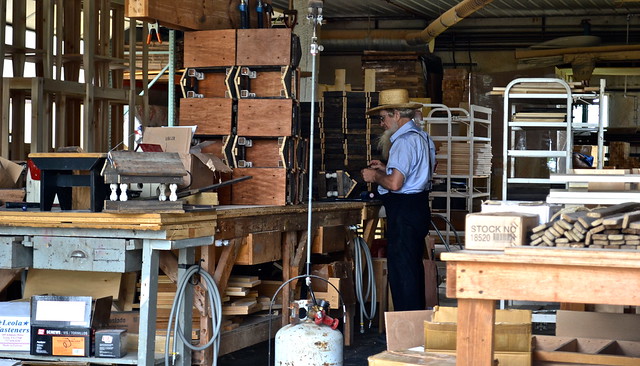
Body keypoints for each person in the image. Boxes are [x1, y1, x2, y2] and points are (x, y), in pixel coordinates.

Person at [361, 89, 436, 311]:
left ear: (396, 114)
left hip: (404, 211)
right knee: (411, 268)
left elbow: (395, 184)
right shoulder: (423, 137)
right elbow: (420, 172)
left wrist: (375, 176)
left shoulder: (403, 142)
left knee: (402, 273)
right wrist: (387, 168)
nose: (382, 124)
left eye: (383, 117)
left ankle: (406, 331)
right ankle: (414, 325)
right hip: (418, 206)